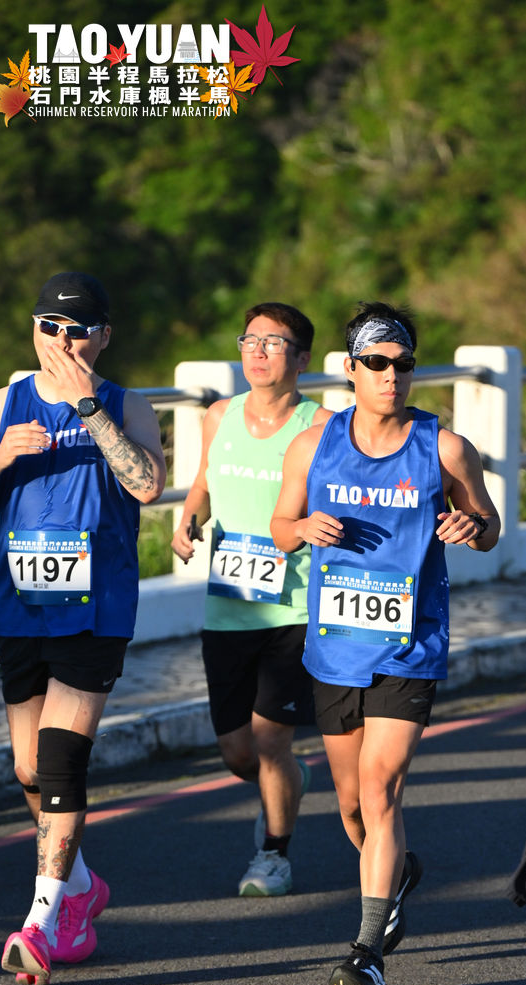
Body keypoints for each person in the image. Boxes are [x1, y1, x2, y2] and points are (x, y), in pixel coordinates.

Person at [271, 301, 500, 985]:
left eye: (402, 364)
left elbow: (489, 525)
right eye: (375, 363)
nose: (390, 376)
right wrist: (303, 528)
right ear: (350, 368)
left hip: (409, 644)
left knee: (380, 789)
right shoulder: (312, 445)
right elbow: (279, 527)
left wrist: (471, 525)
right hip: (336, 647)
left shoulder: (444, 448)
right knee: (351, 805)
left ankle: (366, 951)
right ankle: (394, 871)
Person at [0, 271, 166, 985]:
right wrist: (1, 456)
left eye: (78, 329)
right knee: (28, 770)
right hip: (22, 606)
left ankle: (40, 920)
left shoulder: (124, 404)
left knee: (60, 762)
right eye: (49, 327)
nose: (61, 341)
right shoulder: (3, 405)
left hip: (97, 609)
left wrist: (88, 408)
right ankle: (81, 887)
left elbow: (147, 485)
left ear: (103, 336)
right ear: (33, 329)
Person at [171, 303, 330, 896]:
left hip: (296, 608)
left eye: (274, 342)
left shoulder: (323, 424)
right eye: (250, 340)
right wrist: (188, 520)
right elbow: (203, 482)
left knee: (269, 740)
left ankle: (273, 855)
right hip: (229, 605)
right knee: (239, 753)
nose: (258, 351)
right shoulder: (219, 416)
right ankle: (288, 779)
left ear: (302, 358)